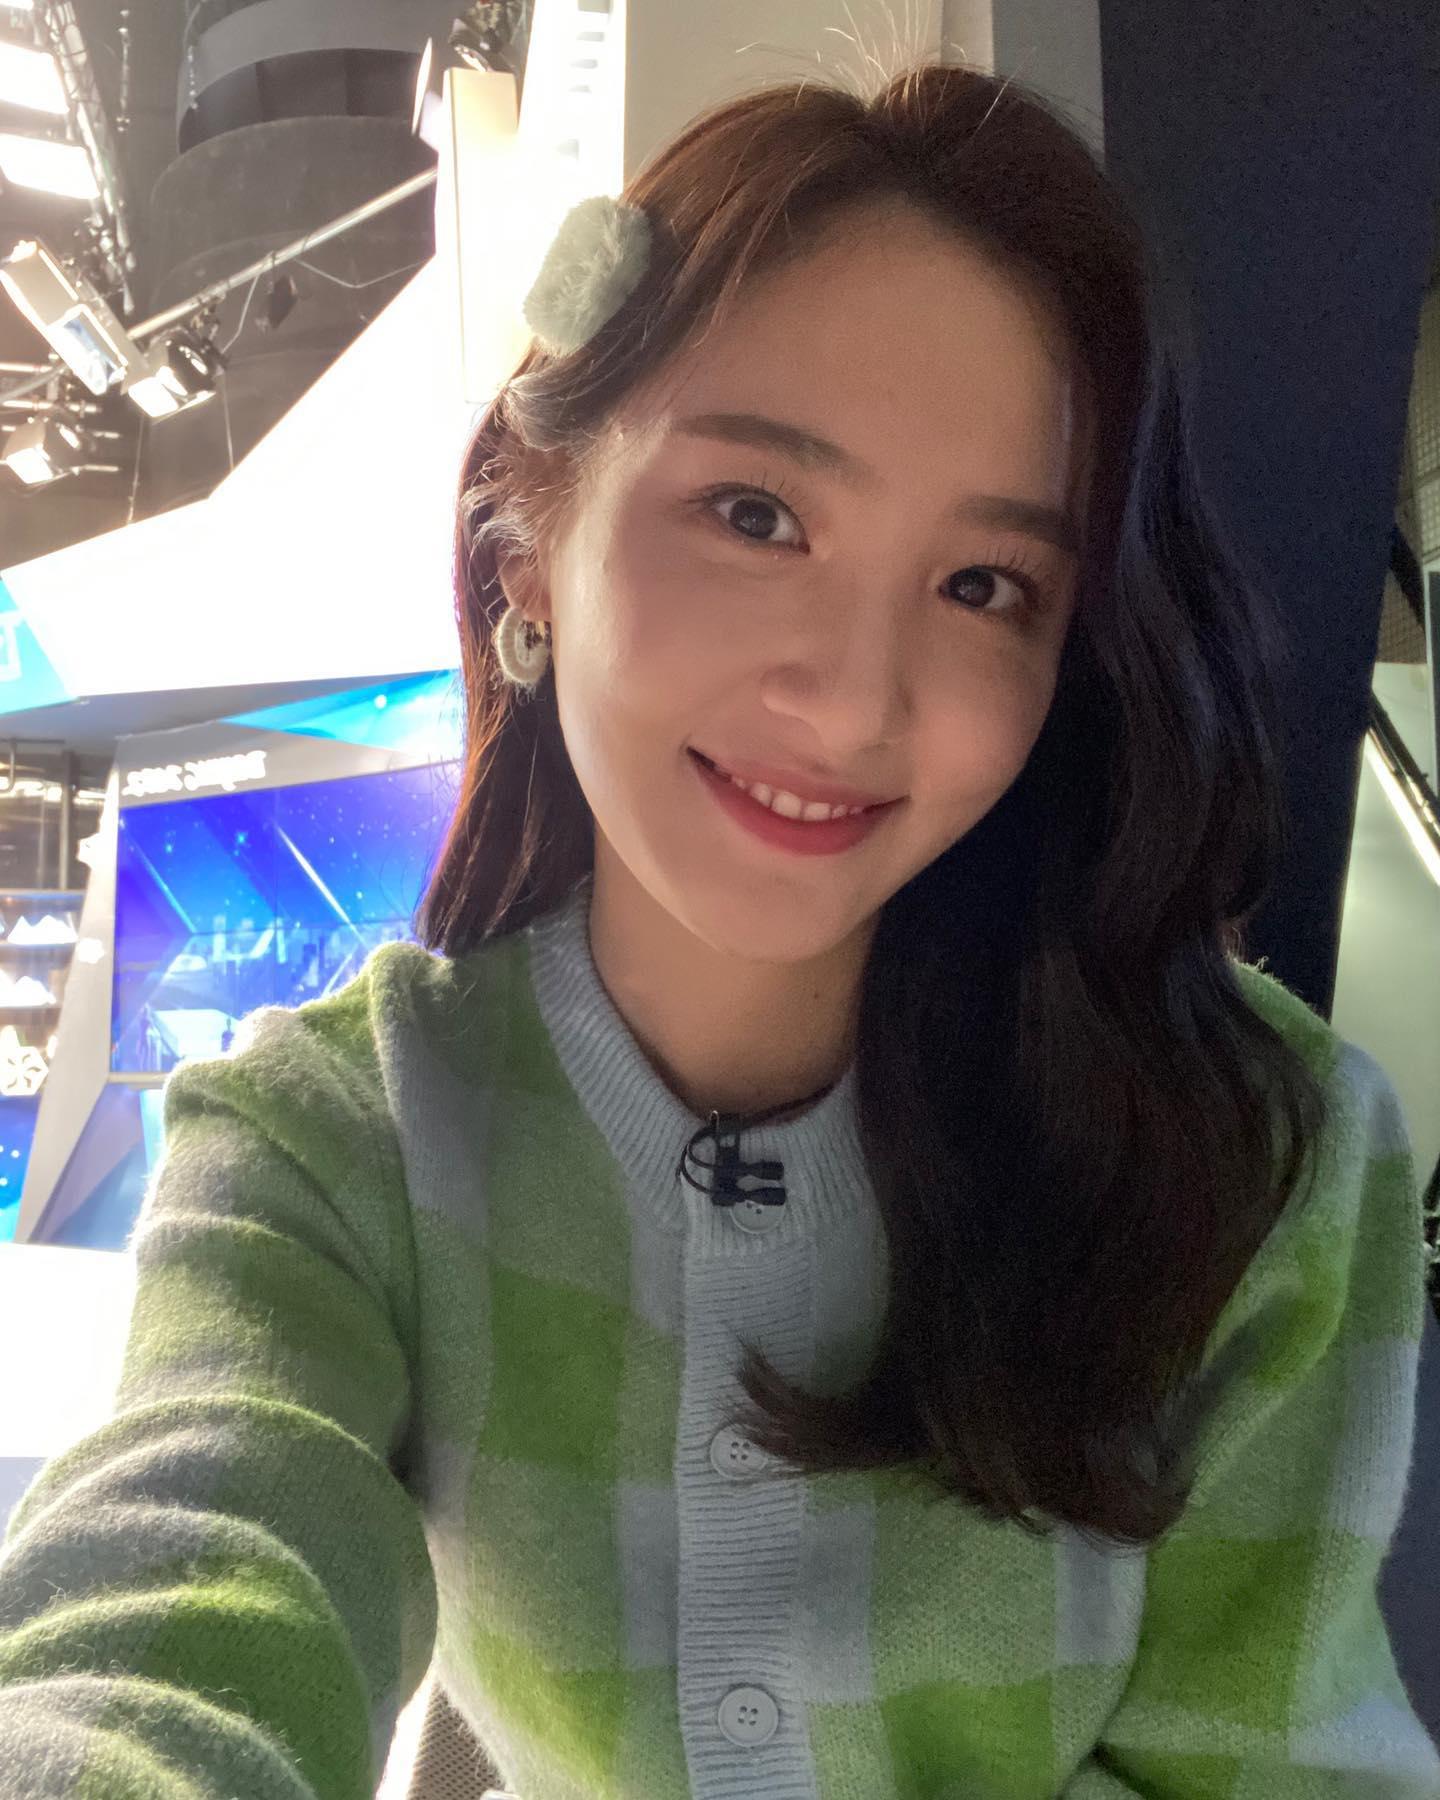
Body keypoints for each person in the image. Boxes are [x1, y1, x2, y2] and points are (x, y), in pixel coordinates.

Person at [1, 56, 1436, 1800]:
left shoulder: (1258, 1158)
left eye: (984, 586)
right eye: (757, 516)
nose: (851, 704)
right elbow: (174, 1602)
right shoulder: (332, 1146)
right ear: (530, 546)